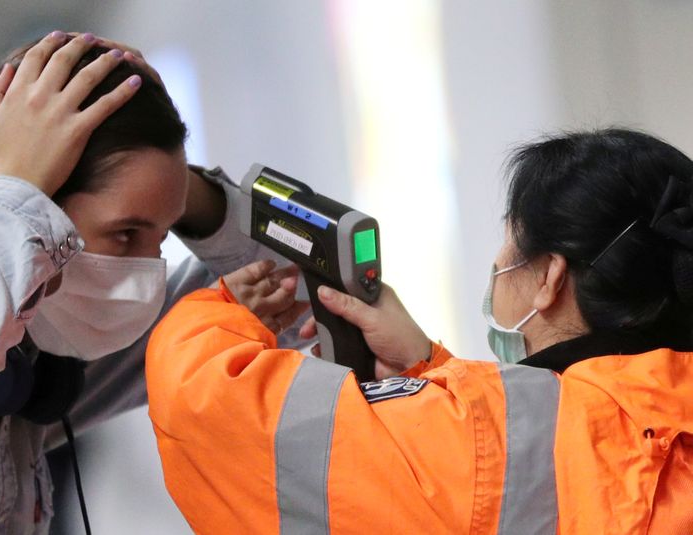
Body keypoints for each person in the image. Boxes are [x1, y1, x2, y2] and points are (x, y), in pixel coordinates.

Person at [146, 128, 693, 534]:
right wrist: (428, 371)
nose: (497, 266)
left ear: (549, 278)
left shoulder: (500, 440)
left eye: (508, 247)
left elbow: (209, 409)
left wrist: (225, 307)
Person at [0, 32, 304, 533]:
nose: (144, 274)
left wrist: (178, 191)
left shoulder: (37, 358)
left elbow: (298, 277)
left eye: (160, 237)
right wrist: (15, 186)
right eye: (126, 233)